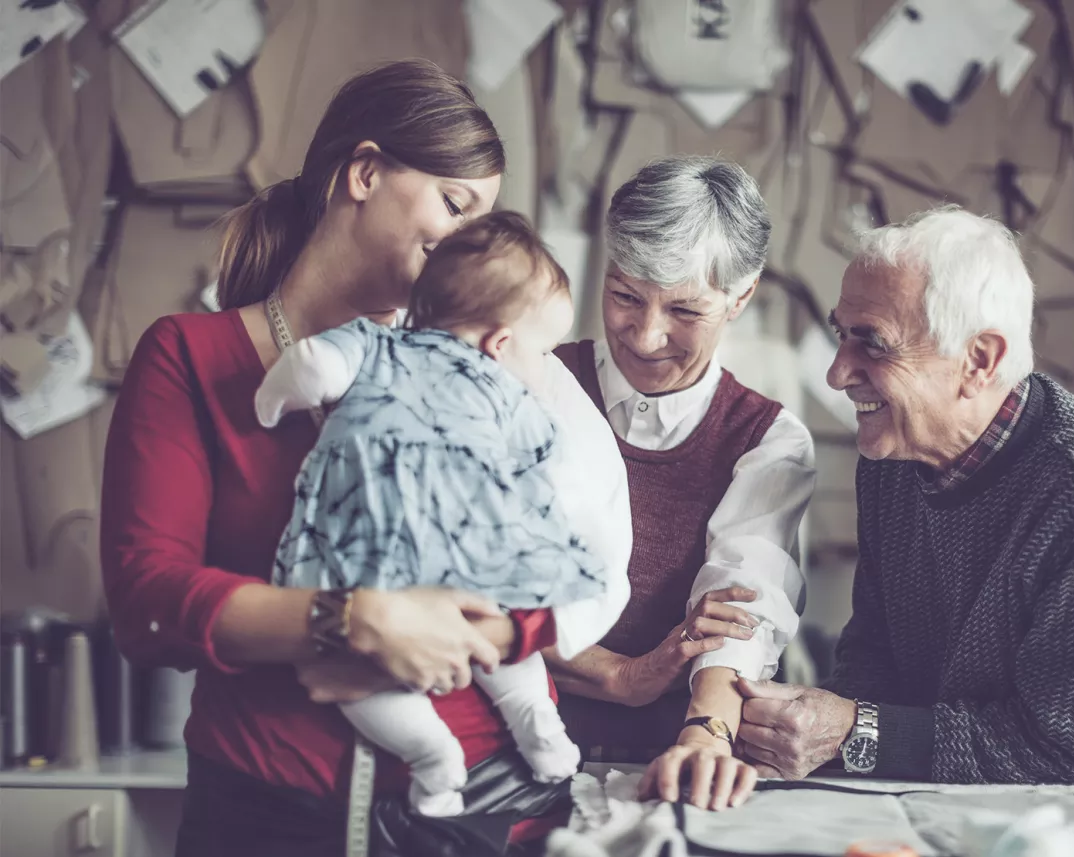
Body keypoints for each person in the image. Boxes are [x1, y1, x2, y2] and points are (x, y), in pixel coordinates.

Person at [100, 60, 630, 857]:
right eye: (456, 205)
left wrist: (492, 631)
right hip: (263, 814)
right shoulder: (192, 355)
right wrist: (348, 623)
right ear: (366, 172)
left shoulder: (506, 368)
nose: (469, 241)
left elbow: (578, 560)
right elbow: (145, 601)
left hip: (484, 806)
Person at [733, 206, 1074, 786]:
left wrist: (856, 732)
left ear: (980, 360)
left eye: (873, 345)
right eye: (841, 335)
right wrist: (811, 727)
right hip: (968, 802)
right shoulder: (894, 459)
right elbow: (873, 657)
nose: (836, 373)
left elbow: (1062, 756)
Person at [254, 212, 611, 816]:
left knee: (352, 679)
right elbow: (545, 465)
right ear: (500, 344)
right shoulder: (511, 397)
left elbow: (312, 368)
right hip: (466, 552)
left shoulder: (376, 346)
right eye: (542, 351)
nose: (542, 366)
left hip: (363, 553)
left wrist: (270, 403)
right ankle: (537, 723)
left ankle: (431, 759)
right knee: (501, 642)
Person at [548, 156, 817, 811]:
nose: (646, 335)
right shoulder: (535, 384)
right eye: (624, 296)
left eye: (685, 308)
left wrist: (706, 732)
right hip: (512, 738)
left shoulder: (769, 439)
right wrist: (620, 677)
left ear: (740, 297)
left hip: (666, 760)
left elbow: (740, 605)